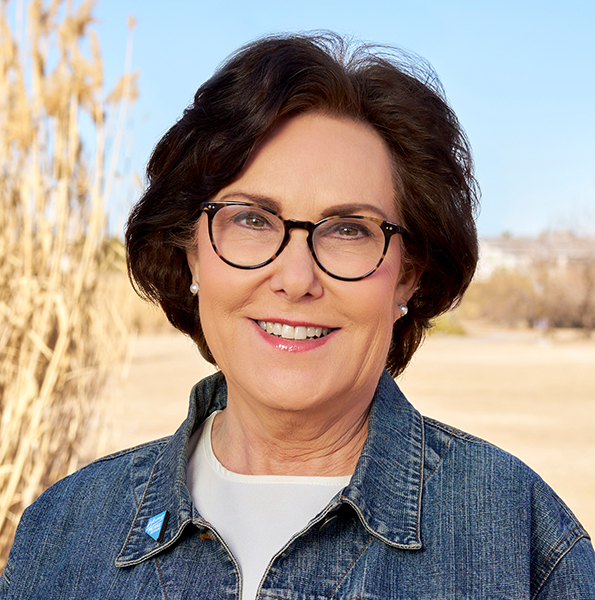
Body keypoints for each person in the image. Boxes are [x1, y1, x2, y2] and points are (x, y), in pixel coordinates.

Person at [2, 33, 594, 600]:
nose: (294, 279)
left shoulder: (523, 542)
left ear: (408, 275)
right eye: (253, 220)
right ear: (191, 252)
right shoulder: (61, 535)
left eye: (348, 230)